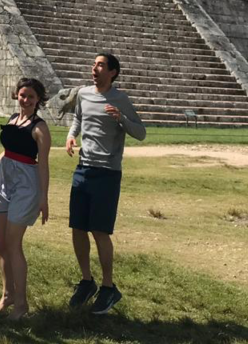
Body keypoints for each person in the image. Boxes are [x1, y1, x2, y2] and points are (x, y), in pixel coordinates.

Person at [65, 53, 146, 315]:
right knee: (77, 227)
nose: (95, 68)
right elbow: (78, 118)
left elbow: (141, 133)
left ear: (113, 72)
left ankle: (109, 287)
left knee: (100, 231)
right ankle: (87, 282)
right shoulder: (83, 94)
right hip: (83, 169)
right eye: (94, 64)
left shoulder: (120, 99)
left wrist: (121, 117)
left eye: (101, 65)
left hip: (107, 173)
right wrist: (70, 136)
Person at [0, 77, 51, 320]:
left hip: (25, 184)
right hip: (3, 180)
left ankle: (21, 305)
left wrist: (44, 198)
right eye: (23, 95)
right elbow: (7, 151)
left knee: (13, 244)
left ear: (38, 100)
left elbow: (43, 164)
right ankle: (7, 293)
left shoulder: (40, 128)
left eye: (31, 97)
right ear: (16, 95)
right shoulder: (13, 119)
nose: (26, 100)